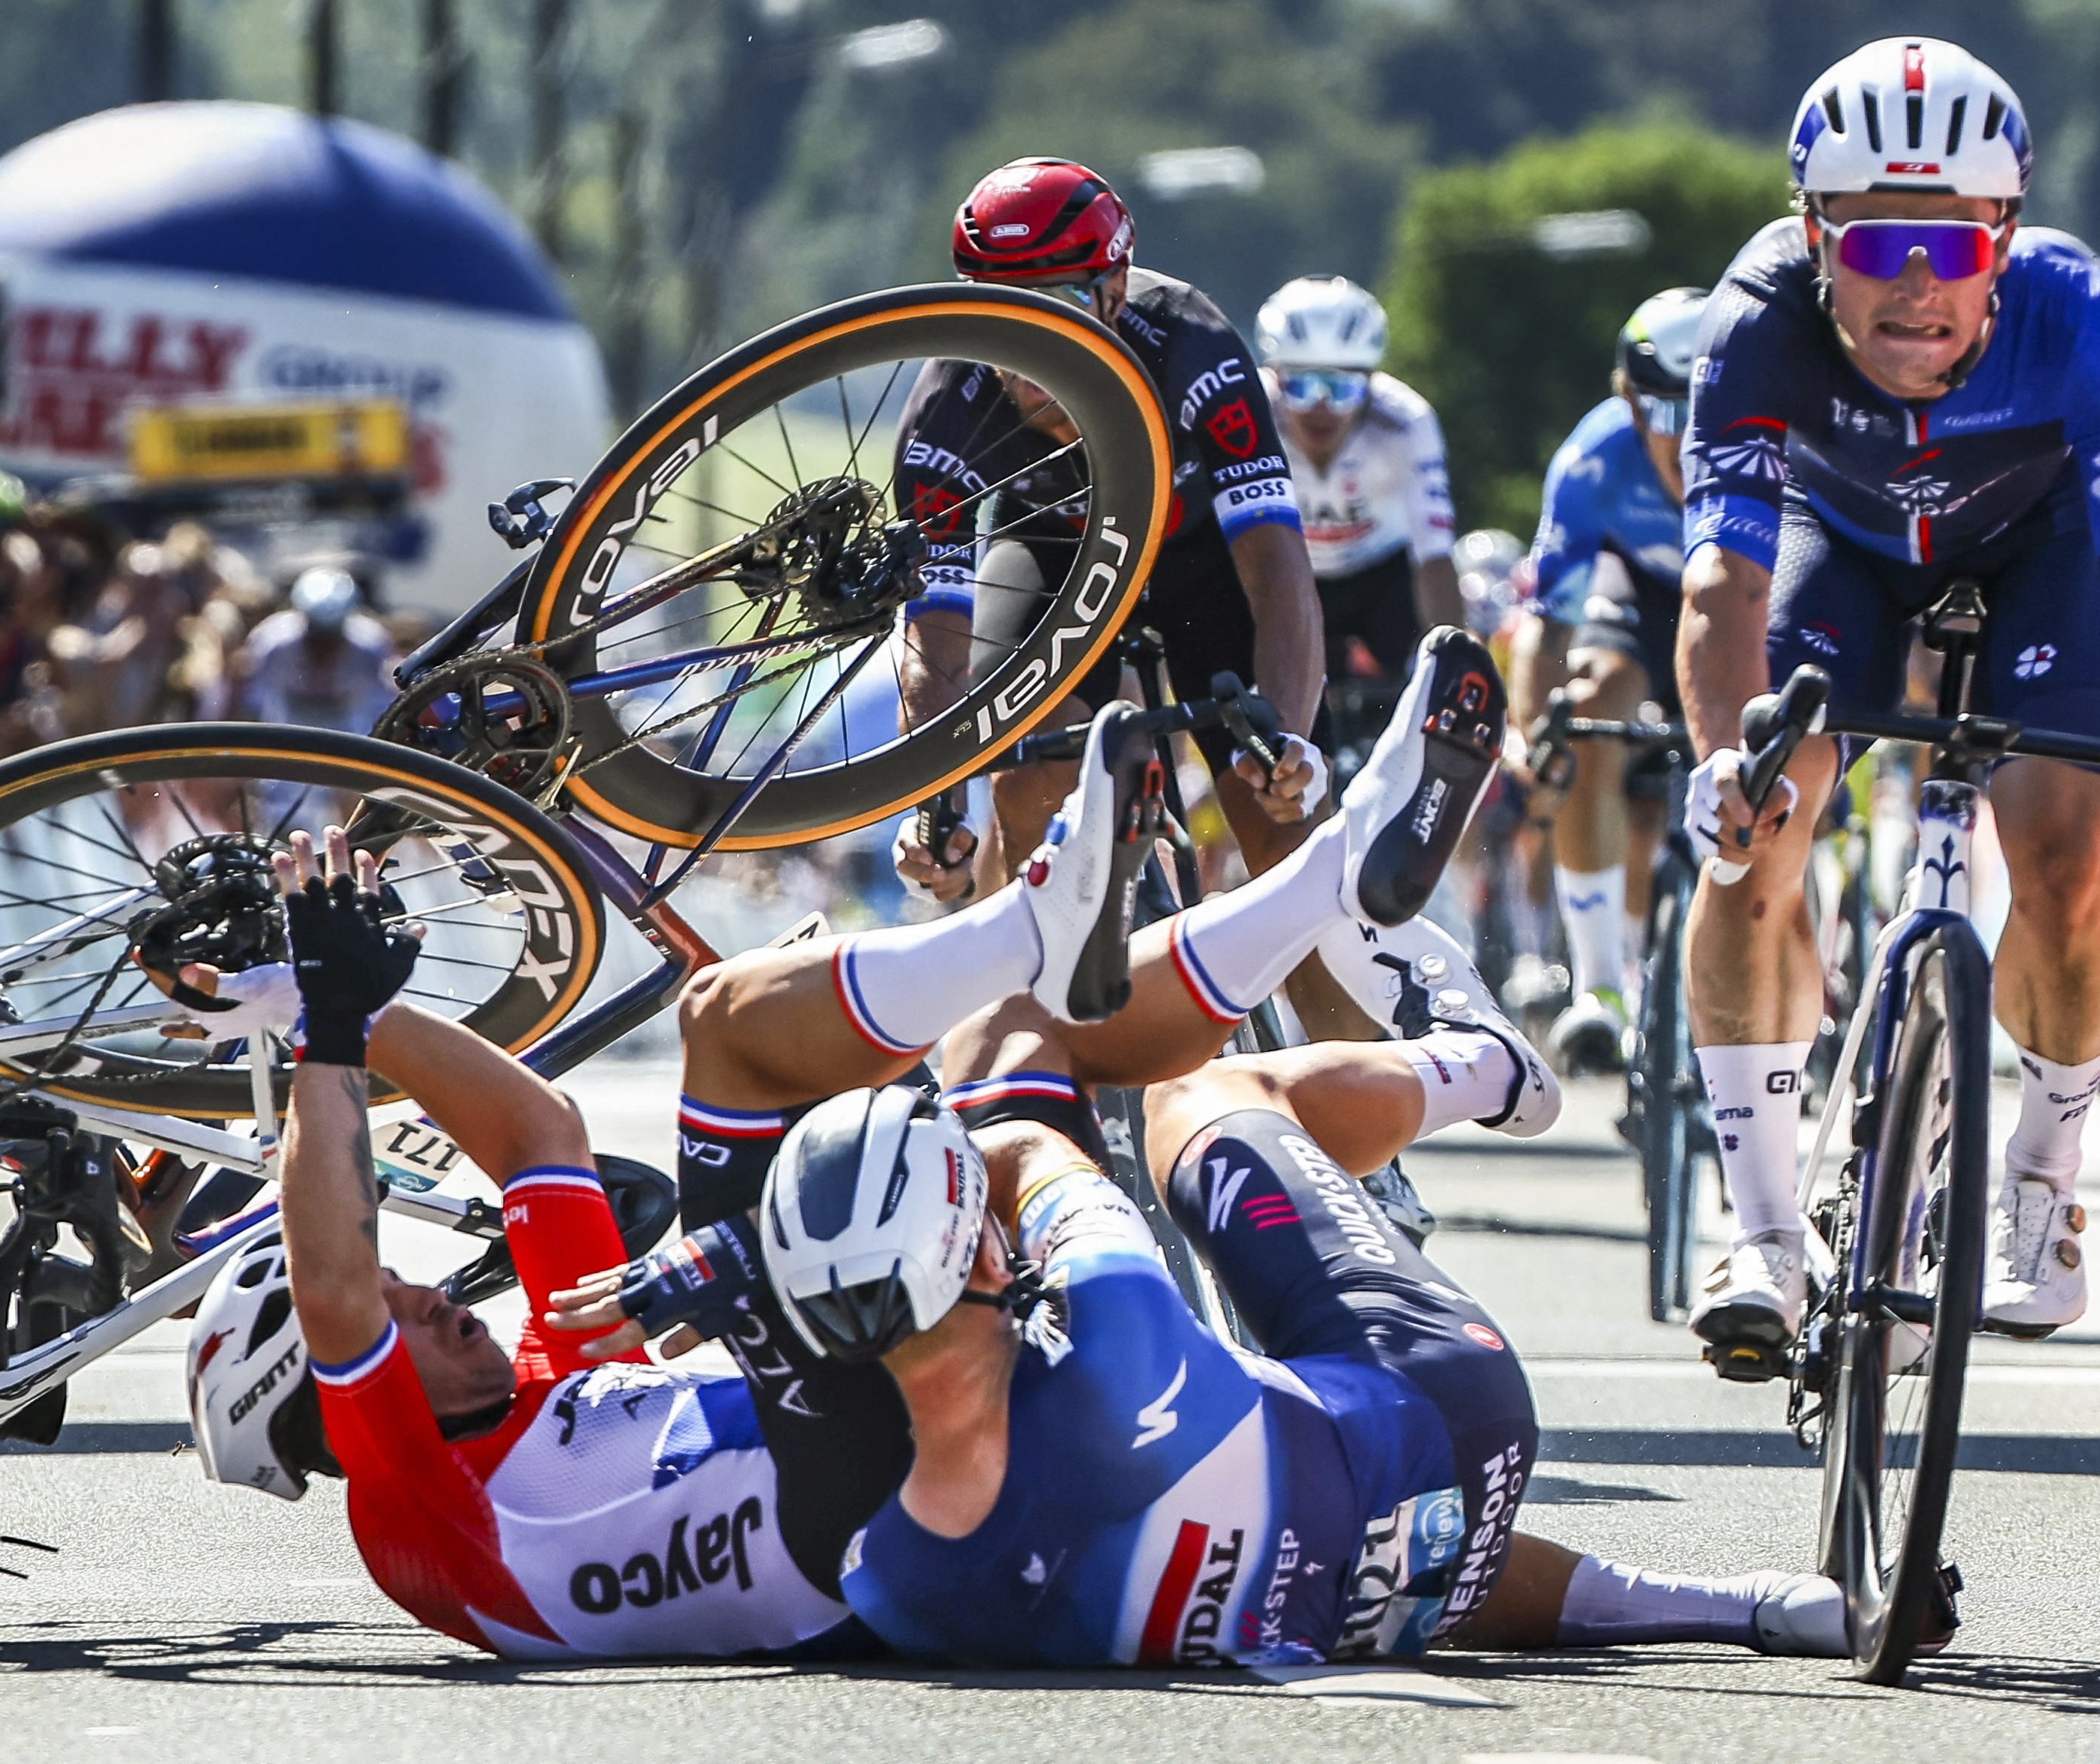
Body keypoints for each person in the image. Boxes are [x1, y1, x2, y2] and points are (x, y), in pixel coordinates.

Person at [195, 631, 1838, 1664]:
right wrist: (325, 1052)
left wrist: (283, 990)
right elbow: (334, 1284)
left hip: (855, 1416)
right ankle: (1144, 919)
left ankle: (1270, 894)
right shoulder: (412, 1523)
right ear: (321, 1408)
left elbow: (535, 1125)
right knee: (838, 1060)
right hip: (856, 1505)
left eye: (419, 1295)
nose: (430, 1300)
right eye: (402, 1320)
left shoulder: (548, 1371)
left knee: (963, 1051)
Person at [1682, 37, 2095, 1362]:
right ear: (1811, 237)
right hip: (1839, 546)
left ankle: (2037, 1176)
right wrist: (1718, 770)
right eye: (1871, 248)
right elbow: (1719, 587)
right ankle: (1758, 1234)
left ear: (2003, 238)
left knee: (2063, 854)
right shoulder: (1754, 316)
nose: (1913, 287)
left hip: (2038, 550)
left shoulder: (2074, 313)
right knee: (1754, 833)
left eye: (1951, 247)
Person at [893, 158, 1329, 920]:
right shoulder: (945, 408)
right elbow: (935, 641)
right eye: (1001, 309)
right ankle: (1015, 991)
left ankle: (1337, 1029)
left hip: (1197, 559)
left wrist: (1286, 744)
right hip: (1052, 555)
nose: (1029, 345)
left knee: (1279, 824)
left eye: (1057, 303)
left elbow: (1276, 569)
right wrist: (933, 810)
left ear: (1114, 291)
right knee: (1029, 774)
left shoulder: (1190, 344)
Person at [1512, 288, 1710, 1074]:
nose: (1688, 441)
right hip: (1640, 599)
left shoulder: (1785, 441)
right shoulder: (1590, 460)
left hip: (1744, 597)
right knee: (1587, 710)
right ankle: (1600, 986)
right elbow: (1546, 625)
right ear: (1628, 405)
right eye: (1666, 414)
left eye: (1709, 413)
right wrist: (1537, 737)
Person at [1253, 277, 1461, 725]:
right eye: (1301, 387)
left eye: (1343, 388)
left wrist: (1455, 665)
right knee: (1281, 713)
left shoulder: (1406, 421)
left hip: (1382, 576)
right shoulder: (1249, 411)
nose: (1321, 408)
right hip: (1293, 571)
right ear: (1274, 378)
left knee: (1419, 698)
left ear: (1371, 381)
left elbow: (1435, 556)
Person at [234, 565, 395, 734]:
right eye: (315, 633)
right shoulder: (273, 645)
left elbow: (382, 707)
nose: (323, 645)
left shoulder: (370, 648)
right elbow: (251, 704)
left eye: (332, 634)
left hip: (351, 741)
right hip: (283, 738)